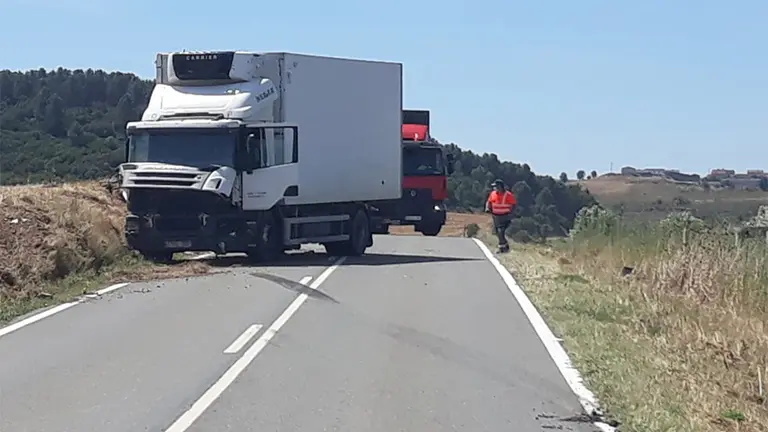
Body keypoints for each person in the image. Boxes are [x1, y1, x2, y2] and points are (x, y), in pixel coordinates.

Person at [485, 179, 517, 253]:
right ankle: (505, 246)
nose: (494, 188)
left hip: (505, 216)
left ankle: (501, 248)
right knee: (497, 232)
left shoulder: (508, 195)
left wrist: (511, 214)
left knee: (500, 232)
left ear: (500, 187)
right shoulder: (493, 194)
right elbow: (489, 202)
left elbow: (514, 205)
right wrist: (487, 208)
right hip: (495, 216)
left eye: (495, 186)